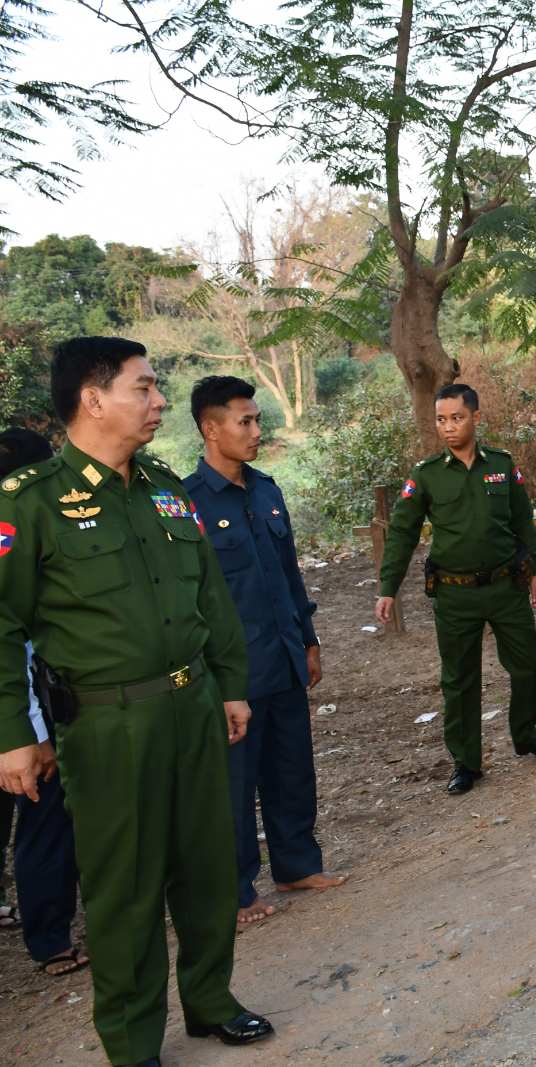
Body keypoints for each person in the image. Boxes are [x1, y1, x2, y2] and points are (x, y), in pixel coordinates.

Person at [0, 337, 273, 1065]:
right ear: (93, 400)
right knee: (126, 886)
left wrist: (230, 685)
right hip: (108, 723)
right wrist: (12, 733)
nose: (159, 401)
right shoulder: (31, 501)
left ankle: (211, 1000)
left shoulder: (163, 486)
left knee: (208, 867)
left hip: (193, 705)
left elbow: (209, 594)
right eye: (144, 388)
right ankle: (132, 1040)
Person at [183, 377, 346, 927]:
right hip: (232, 673)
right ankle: (234, 890)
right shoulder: (185, 504)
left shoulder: (267, 491)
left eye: (257, 420)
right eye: (245, 421)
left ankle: (296, 864)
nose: (257, 430)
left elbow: (289, 574)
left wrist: (309, 639)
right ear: (211, 429)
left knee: (292, 768)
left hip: (283, 656)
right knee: (233, 784)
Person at [376, 383, 536, 796]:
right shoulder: (426, 475)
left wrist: (535, 571)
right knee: (459, 680)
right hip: (454, 594)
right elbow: (402, 533)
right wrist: (388, 587)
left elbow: (522, 521)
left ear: (475, 418)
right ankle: (466, 762)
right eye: (441, 420)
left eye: (457, 418)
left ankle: (527, 733)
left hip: (505, 587)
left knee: (529, 666)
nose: (448, 427)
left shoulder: (502, 465)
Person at [0, 427, 87, 979]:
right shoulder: (17, 536)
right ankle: (51, 939)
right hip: (19, 720)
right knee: (44, 822)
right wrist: (34, 735)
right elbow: (19, 650)